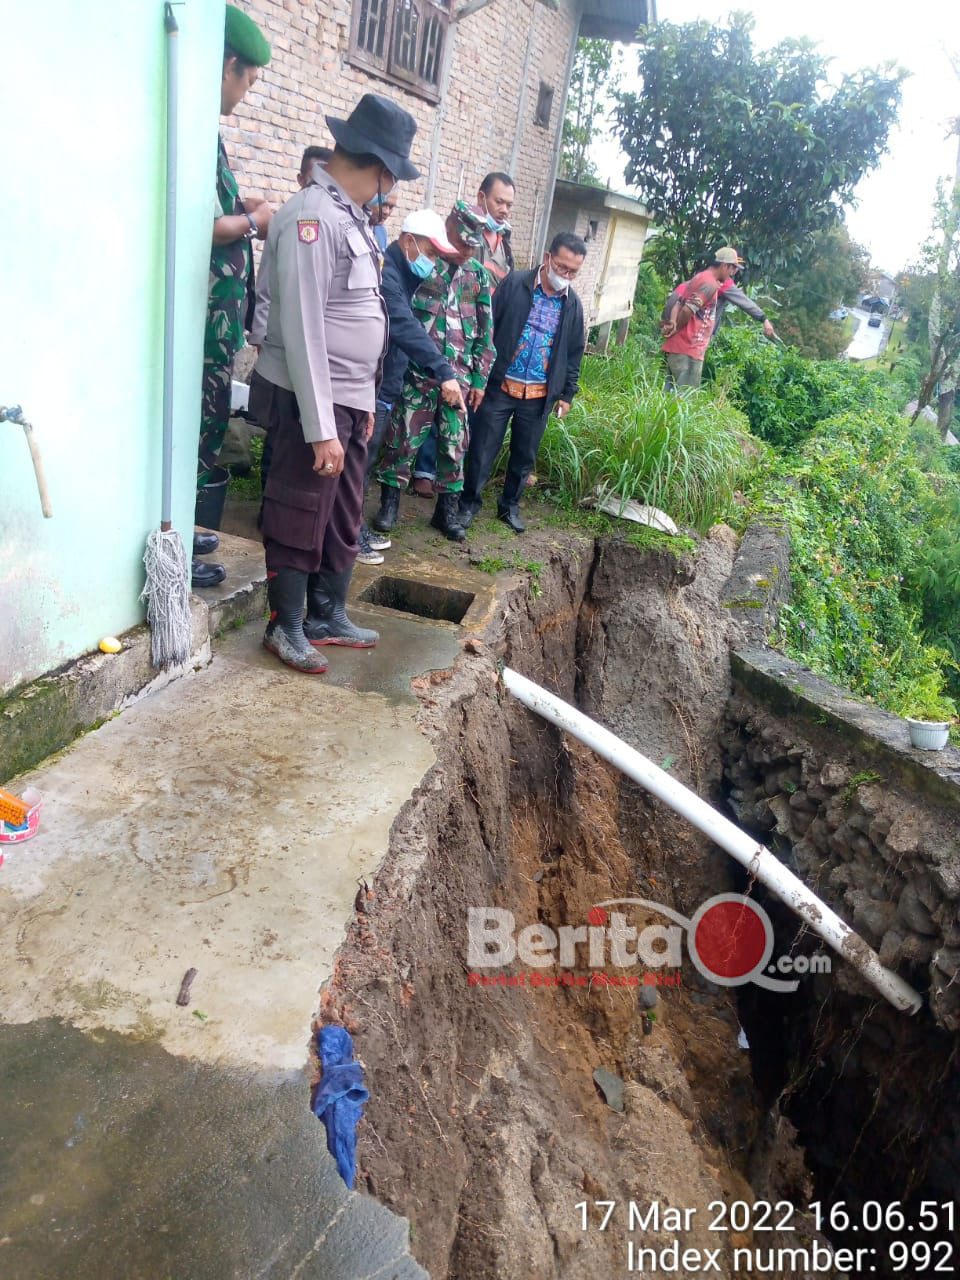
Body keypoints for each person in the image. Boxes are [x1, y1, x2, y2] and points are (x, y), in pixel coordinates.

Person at [253, 93, 420, 674]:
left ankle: (326, 612)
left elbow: (360, 315)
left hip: (349, 397)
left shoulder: (348, 216)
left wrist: (365, 402)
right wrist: (322, 425)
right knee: (300, 505)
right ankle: (286, 624)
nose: (390, 189)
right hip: (310, 396)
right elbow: (301, 329)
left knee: (343, 510)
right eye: (392, 177)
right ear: (379, 167)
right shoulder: (312, 216)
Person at [193, 5, 273, 590]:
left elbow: (218, 211)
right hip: (203, 323)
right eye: (248, 79)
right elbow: (201, 224)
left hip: (216, 321)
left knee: (211, 421)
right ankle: (178, 552)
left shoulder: (209, 134)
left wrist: (241, 212)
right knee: (200, 423)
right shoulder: (195, 130)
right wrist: (251, 222)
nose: (246, 92)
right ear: (228, 65)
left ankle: (189, 524)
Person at [373, 201, 495, 543]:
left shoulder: (478, 276)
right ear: (449, 229)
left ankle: (446, 512)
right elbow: (401, 316)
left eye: (473, 245)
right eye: (461, 241)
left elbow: (486, 333)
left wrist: (480, 379)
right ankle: (389, 506)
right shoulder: (423, 264)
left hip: (459, 376)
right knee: (402, 441)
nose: (466, 250)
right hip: (417, 373)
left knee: (455, 444)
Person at [459, 231, 587, 534]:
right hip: (500, 386)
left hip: (540, 393)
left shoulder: (573, 305)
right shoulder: (515, 284)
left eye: (573, 271)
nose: (565, 275)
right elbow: (487, 329)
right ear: (547, 258)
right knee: (482, 448)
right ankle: (468, 505)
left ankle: (509, 507)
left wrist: (567, 394)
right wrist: (480, 375)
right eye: (561, 267)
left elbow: (574, 353)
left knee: (524, 454)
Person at [357, 210, 465, 565]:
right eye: (431, 254)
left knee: (365, 462)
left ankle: (353, 529)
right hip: (373, 386)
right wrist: (443, 370)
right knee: (360, 463)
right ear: (408, 242)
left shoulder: (402, 274)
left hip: (385, 384)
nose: (432, 264)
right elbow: (403, 325)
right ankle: (349, 537)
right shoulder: (388, 274)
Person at [411, 173, 516, 497]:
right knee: (411, 431)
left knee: (456, 434)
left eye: (509, 204)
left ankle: (447, 504)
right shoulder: (434, 257)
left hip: (464, 356)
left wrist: (481, 376)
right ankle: (410, 483)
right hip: (427, 359)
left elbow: (488, 326)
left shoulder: (494, 259)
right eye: (499, 201)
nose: (504, 209)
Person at [248, 146, 334, 497]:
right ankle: (268, 502)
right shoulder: (293, 218)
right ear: (301, 179)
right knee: (278, 435)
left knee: (294, 438)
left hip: (308, 355)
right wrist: (259, 336)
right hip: (280, 351)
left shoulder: (328, 219)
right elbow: (266, 287)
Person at [660, 246, 776, 389]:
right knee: (685, 397)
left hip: (679, 343)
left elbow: (679, 303)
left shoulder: (700, 276)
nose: (733, 273)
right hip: (688, 346)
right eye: (733, 268)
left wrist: (672, 324)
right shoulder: (712, 283)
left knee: (669, 394)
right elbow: (687, 310)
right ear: (724, 265)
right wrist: (763, 318)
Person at [367, 190, 398, 254]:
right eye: (383, 204)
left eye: (391, 207)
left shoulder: (382, 231)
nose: (387, 212)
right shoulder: (349, 228)